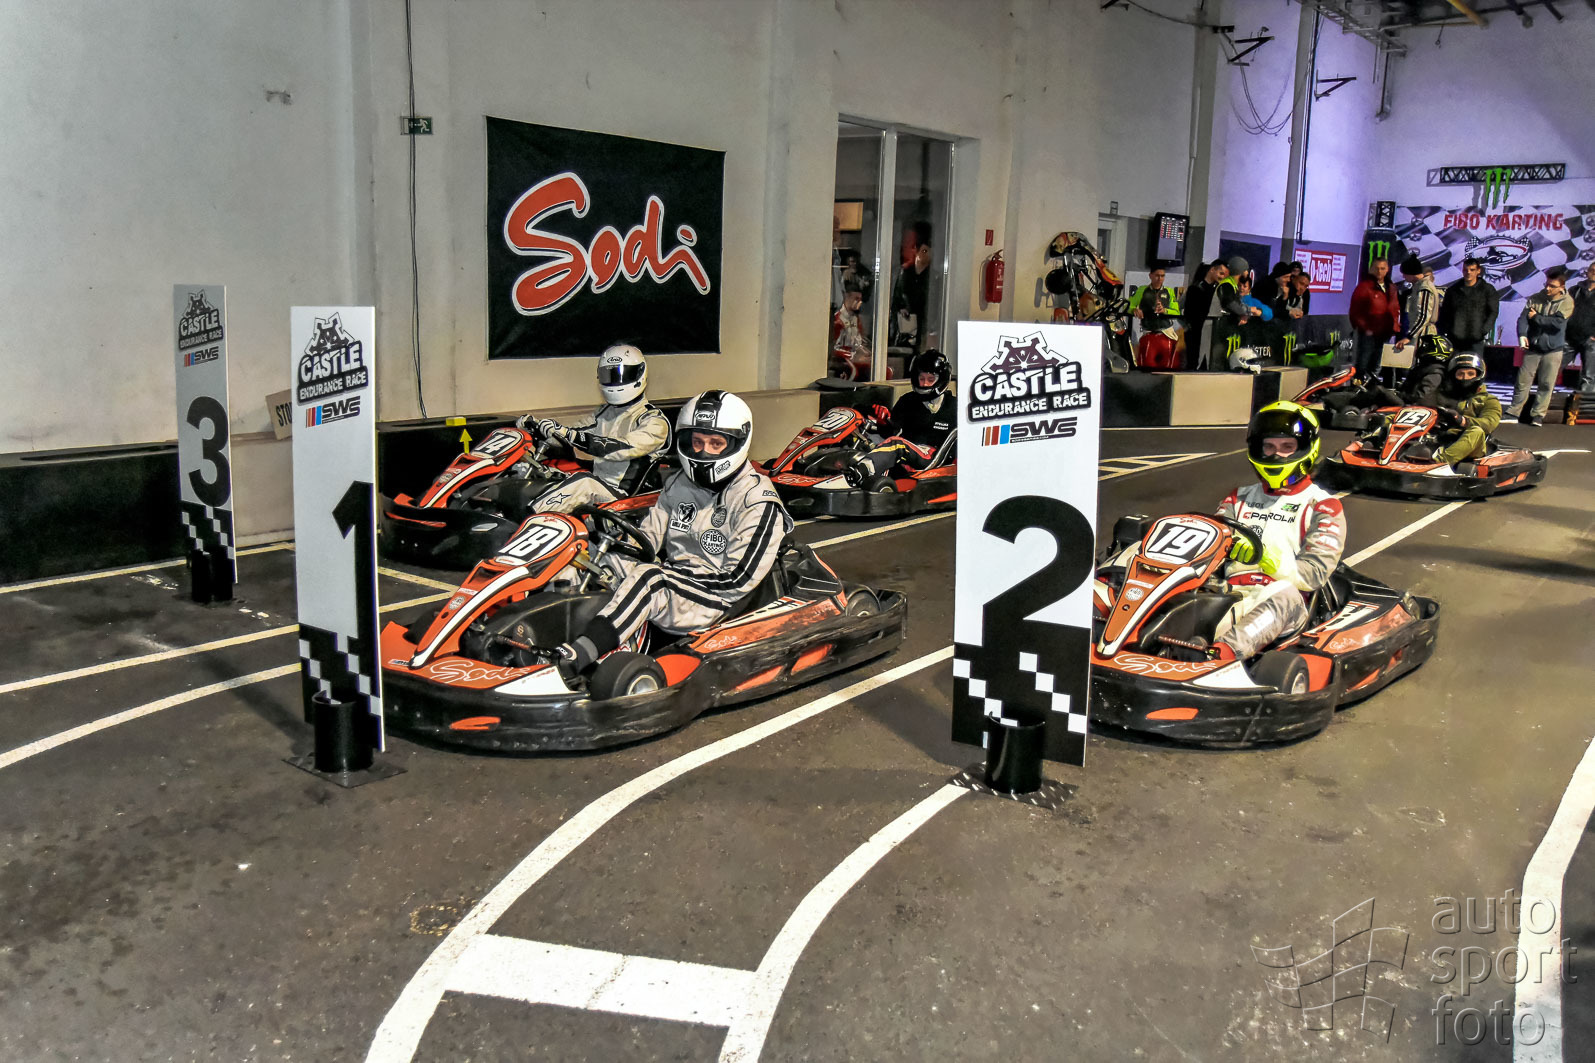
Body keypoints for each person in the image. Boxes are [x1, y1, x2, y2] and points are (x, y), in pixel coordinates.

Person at [551, 390, 794, 676]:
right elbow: (647, 538)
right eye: (697, 442)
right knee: (583, 556)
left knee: (650, 580)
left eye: (716, 444)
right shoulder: (680, 484)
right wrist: (609, 548)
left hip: (716, 598)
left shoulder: (757, 500)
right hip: (675, 579)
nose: (703, 453)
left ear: (737, 443)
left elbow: (736, 582)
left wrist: (667, 576)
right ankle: (549, 630)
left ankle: (575, 658)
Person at [1101, 401, 1344, 660]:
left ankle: (1218, 657)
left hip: (1279, 601)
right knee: (1140, 548)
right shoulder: (1239, 497)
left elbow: (1314, 574)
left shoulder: (1323, 506)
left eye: (1287, 447)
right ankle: (1101, 611)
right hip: (1225, 591)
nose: (1276, 456)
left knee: (1285, 594)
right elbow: (1213, 538)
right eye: (1269, 447)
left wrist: (1266, 557)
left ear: (1306, 449)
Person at [517, 344, 672, 512]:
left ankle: (526, 518)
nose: (615, 381)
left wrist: (569, 435)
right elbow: (576, 431)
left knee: (584, 482)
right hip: (598, 482)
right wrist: (540, 428)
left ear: (640, 373)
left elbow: (620, 448)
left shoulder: (654, 421)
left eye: (621, 374)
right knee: (539, 471)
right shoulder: (604, 412)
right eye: (609, 375)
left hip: (626, 496)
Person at [846, 350, 955, 486]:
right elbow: (891, 431)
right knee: (864, 437)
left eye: (930, 379)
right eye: (922, 379)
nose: (925, 384)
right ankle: (834, 469)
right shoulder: (908, 400)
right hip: (908, 453)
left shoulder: (954, 407)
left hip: (935, 457)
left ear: (941, 380)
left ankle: (859, 472)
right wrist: (882, 421)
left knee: (897, 444)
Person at [1508, 267, 1575, 426]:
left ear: (1561, 287)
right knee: (1522, 381)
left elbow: (1557, 324)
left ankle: (1538, 415)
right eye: (1547, 284)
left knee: (1546, 384)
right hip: (1534, 347)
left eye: (1552, 286)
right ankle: (1513, 412)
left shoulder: (1567, 302)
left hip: (1553, 349)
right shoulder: (1535, 298)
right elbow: (1523, 318)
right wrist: (1522, 335)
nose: (1548, 288)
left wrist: (1536, 317)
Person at [1426, 352, 1501, 470]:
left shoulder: (1489, 400)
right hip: (1442, 438)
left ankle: (1437, 464)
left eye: (1470, 374)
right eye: (1460, 374)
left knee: (1477, 431)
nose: (1465, 378)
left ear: (1479, 375)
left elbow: (1489, 424)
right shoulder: (1443, 395)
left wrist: (1462, 420)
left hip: (1471, 444)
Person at [1349, 258, 1401, 378]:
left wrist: (1395, 326)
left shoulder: (1392, 287)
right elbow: (1355, 311)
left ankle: (1372, 384)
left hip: (1386, 333)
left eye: (1382, 268)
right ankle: (1358, 384)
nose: (1379, 271)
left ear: (1387, 269)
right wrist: (1365, 329)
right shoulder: (1364, 287)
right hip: (1369, 333)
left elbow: (1395, 309)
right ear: (1371, 269)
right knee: (1363, 362)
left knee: (1378, 363)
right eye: (1376, 268)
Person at [1436, 258, 1501, 355]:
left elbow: (1493, 312)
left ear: (1478, 271)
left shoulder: (1487, 290)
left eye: (1472, 270)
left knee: (1474, 364)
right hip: (1454, 340)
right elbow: (1444, 313)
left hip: (1476, 340)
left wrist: (1483, 330)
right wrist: (1445, 331)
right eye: (1465, 270)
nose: (1468, 272)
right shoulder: (1453, 290)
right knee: (1454, 364)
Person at [1180, 259, 1230, 370]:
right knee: (1194, 363)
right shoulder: (1195, 288)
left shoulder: (1218, 289)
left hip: (1211, 333)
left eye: (1224, 275)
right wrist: (1189, 327)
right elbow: (1188, 312)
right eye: (1221, 273)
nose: (1222, 277)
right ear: (1212, 270)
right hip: (1196, 333)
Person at [1129, 267, 1182, 369]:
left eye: (1162, 276)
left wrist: (1165, 310)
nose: (1160, 279)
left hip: (1166, 333)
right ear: (1150, 276)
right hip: (1149, 332)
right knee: (1147, 364)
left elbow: (1176, 312)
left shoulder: (1169, 291)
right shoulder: (1142, 290)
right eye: (1157, 275)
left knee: (1168, 366)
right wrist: (1134, 310)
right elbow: (1128, 306)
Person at [1562, 261, 1595, 423]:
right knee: (1553, 368)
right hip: (1570, 337)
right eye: (1592, 270)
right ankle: (1545, 404)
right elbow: (1564, 309)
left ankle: (1581, 413)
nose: (1594, 273)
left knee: (1589, 377)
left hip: (1591, 340)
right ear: (1587, 271)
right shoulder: (1575, 290)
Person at [1394, 256, 1441, 353]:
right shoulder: (1419, 286)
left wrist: (1409, 336)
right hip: (1418, 332)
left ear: (1412, 274)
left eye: (1405, 274)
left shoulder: (1424, 288)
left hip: (1423, 334)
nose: (1403, 277)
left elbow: (1424, 316)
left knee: (1418, 359)